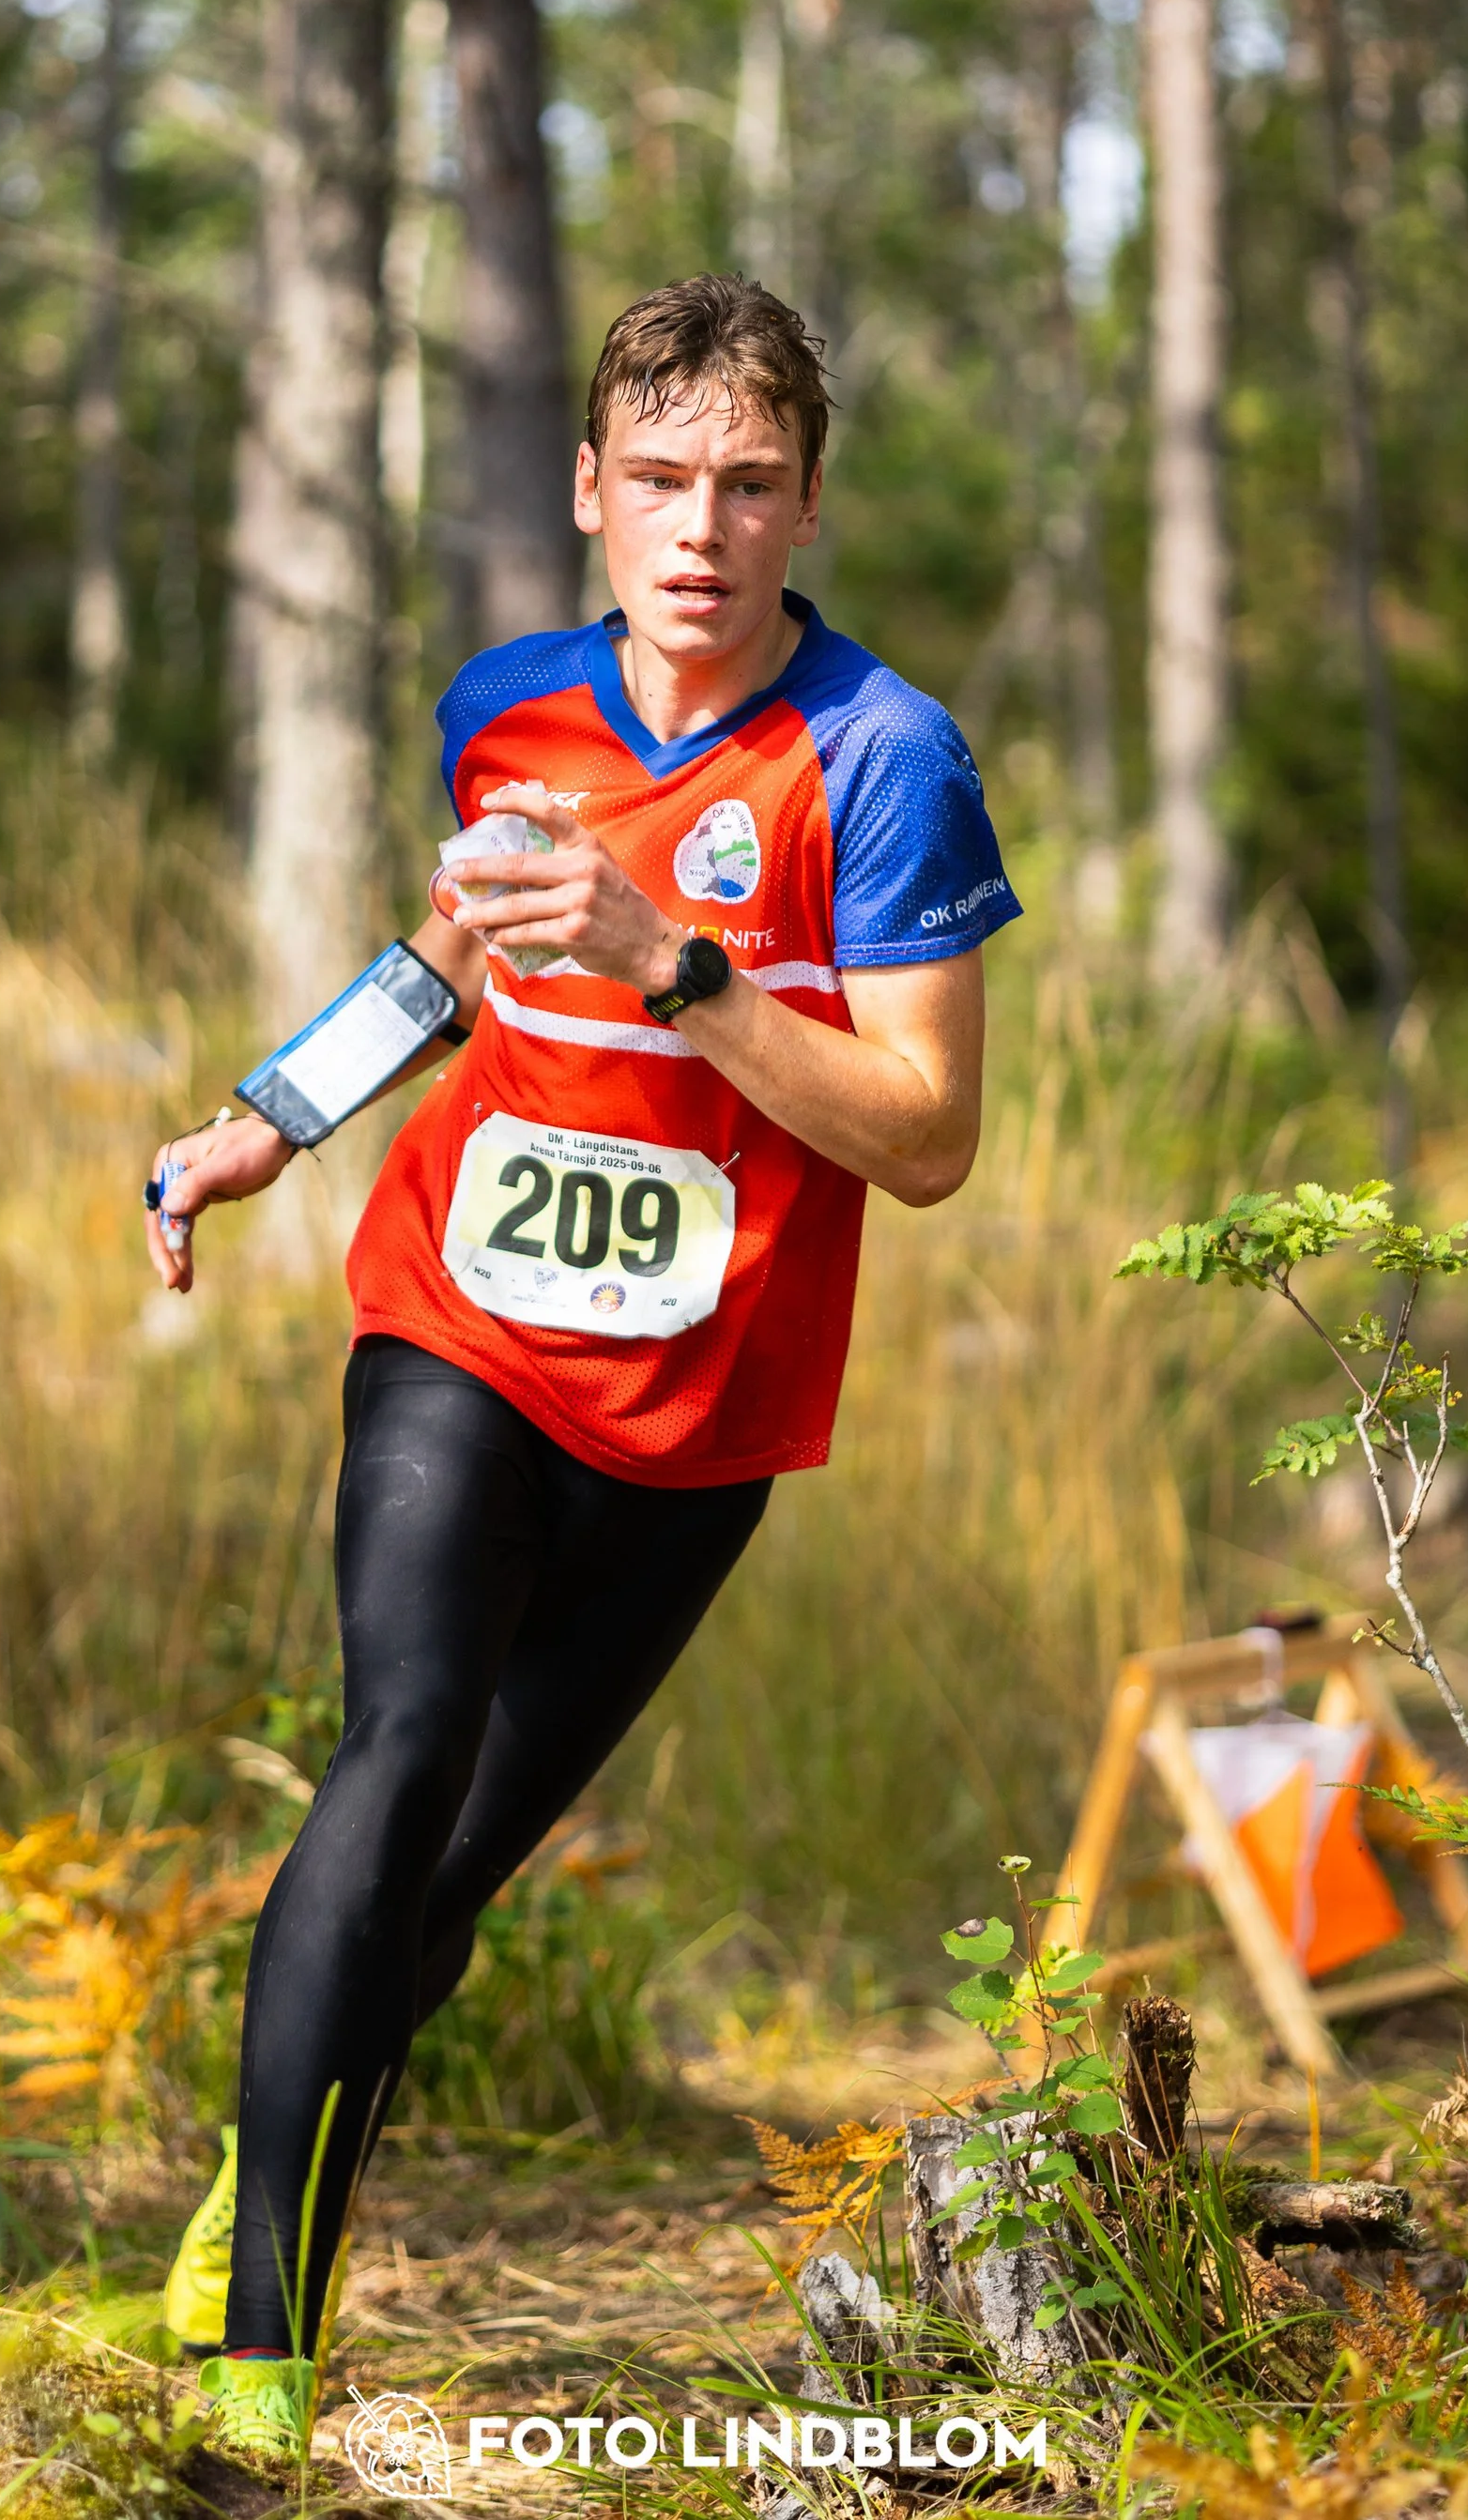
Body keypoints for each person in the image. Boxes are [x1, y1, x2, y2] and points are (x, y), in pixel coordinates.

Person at [144, 274, 1020, 2453]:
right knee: (396, 1745)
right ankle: (261, 2348)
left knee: (445, 1870)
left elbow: (923, 1137)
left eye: (746, 483)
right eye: (658, 479)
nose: (697, 527)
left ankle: (280, 2134)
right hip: (454, 1318)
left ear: (805, 503)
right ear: (585, 491)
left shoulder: (883, 758)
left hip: (700, 1403)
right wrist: (269, 1119)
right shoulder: (506, 706)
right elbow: (455, 944)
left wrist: (679, 969)